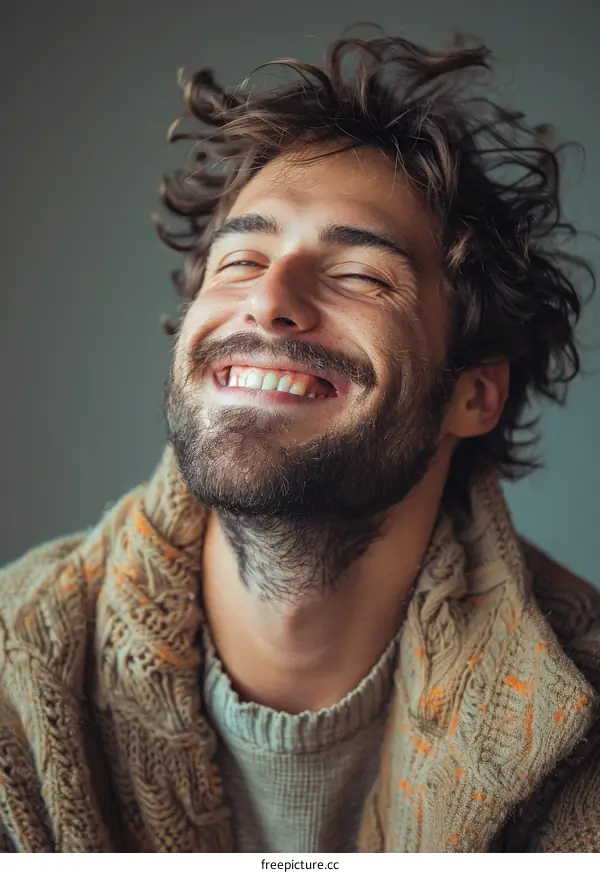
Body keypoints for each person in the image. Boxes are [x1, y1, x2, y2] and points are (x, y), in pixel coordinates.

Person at [0, 30, 598, 854]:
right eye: (240, 261)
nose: (270, 299)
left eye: (361, 275)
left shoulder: (585, 710)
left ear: (474, 393)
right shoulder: (15, 677)